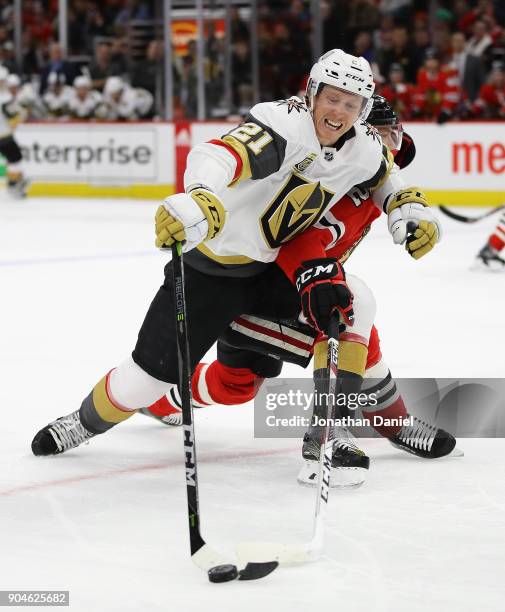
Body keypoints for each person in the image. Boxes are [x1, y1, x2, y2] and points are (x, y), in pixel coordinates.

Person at [31, 51, 439, 470]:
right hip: (211, 273)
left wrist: (406, 207)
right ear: (312, 93)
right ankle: (83, 421)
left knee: (356, 304)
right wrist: (201, 194)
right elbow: (220, 154)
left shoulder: (363, 149)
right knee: (144, 379)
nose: (339, 112)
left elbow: (387, 176)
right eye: (332, 99)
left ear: (363, 112)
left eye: (352, 104)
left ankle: (331, 432)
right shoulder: (284, 125)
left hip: (269, 276)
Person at [139, 96, 453, 488]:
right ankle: (340, 434)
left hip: (273, 292)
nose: (386, 141)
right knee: (354, 327)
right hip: (250, 297)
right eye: (377, 132)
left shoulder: (367, 179)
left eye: (391, 131)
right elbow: (299, 244)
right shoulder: (343, 189)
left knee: (236, 386)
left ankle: (161, 400)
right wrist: (318, 280)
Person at [0, 67, 30, 198]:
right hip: (4, 135)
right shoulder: (5, 98)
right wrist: (22, 113)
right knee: (16, 159)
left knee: (13, 159)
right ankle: (13, 184)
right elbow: (12, 119)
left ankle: (13, 183)